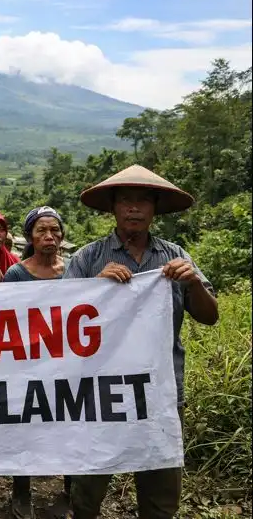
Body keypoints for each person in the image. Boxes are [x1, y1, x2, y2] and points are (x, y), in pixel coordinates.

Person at [64, 165, 218, 519]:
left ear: (155, 208)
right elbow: (60, 325)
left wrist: (192, 282)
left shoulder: (174, 256)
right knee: (87, 494)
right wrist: (93, 291)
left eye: (142, 200)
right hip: (100, 395)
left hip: (160, 395)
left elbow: (210, 316)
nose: (134, 208)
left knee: (160, 498)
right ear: (114, 208)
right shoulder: (88, 259)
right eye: (126, 200)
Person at [2, 206, 70, 517]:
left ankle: (71, 487)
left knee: (71, 422)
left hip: (65, 361)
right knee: (26, 425)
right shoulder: (16, 274)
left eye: (54, 230)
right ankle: (21, 490)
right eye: (41, 230)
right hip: (25, 363)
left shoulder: (72, 272)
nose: (49, 236)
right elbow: (2, 317)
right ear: (30, 235)